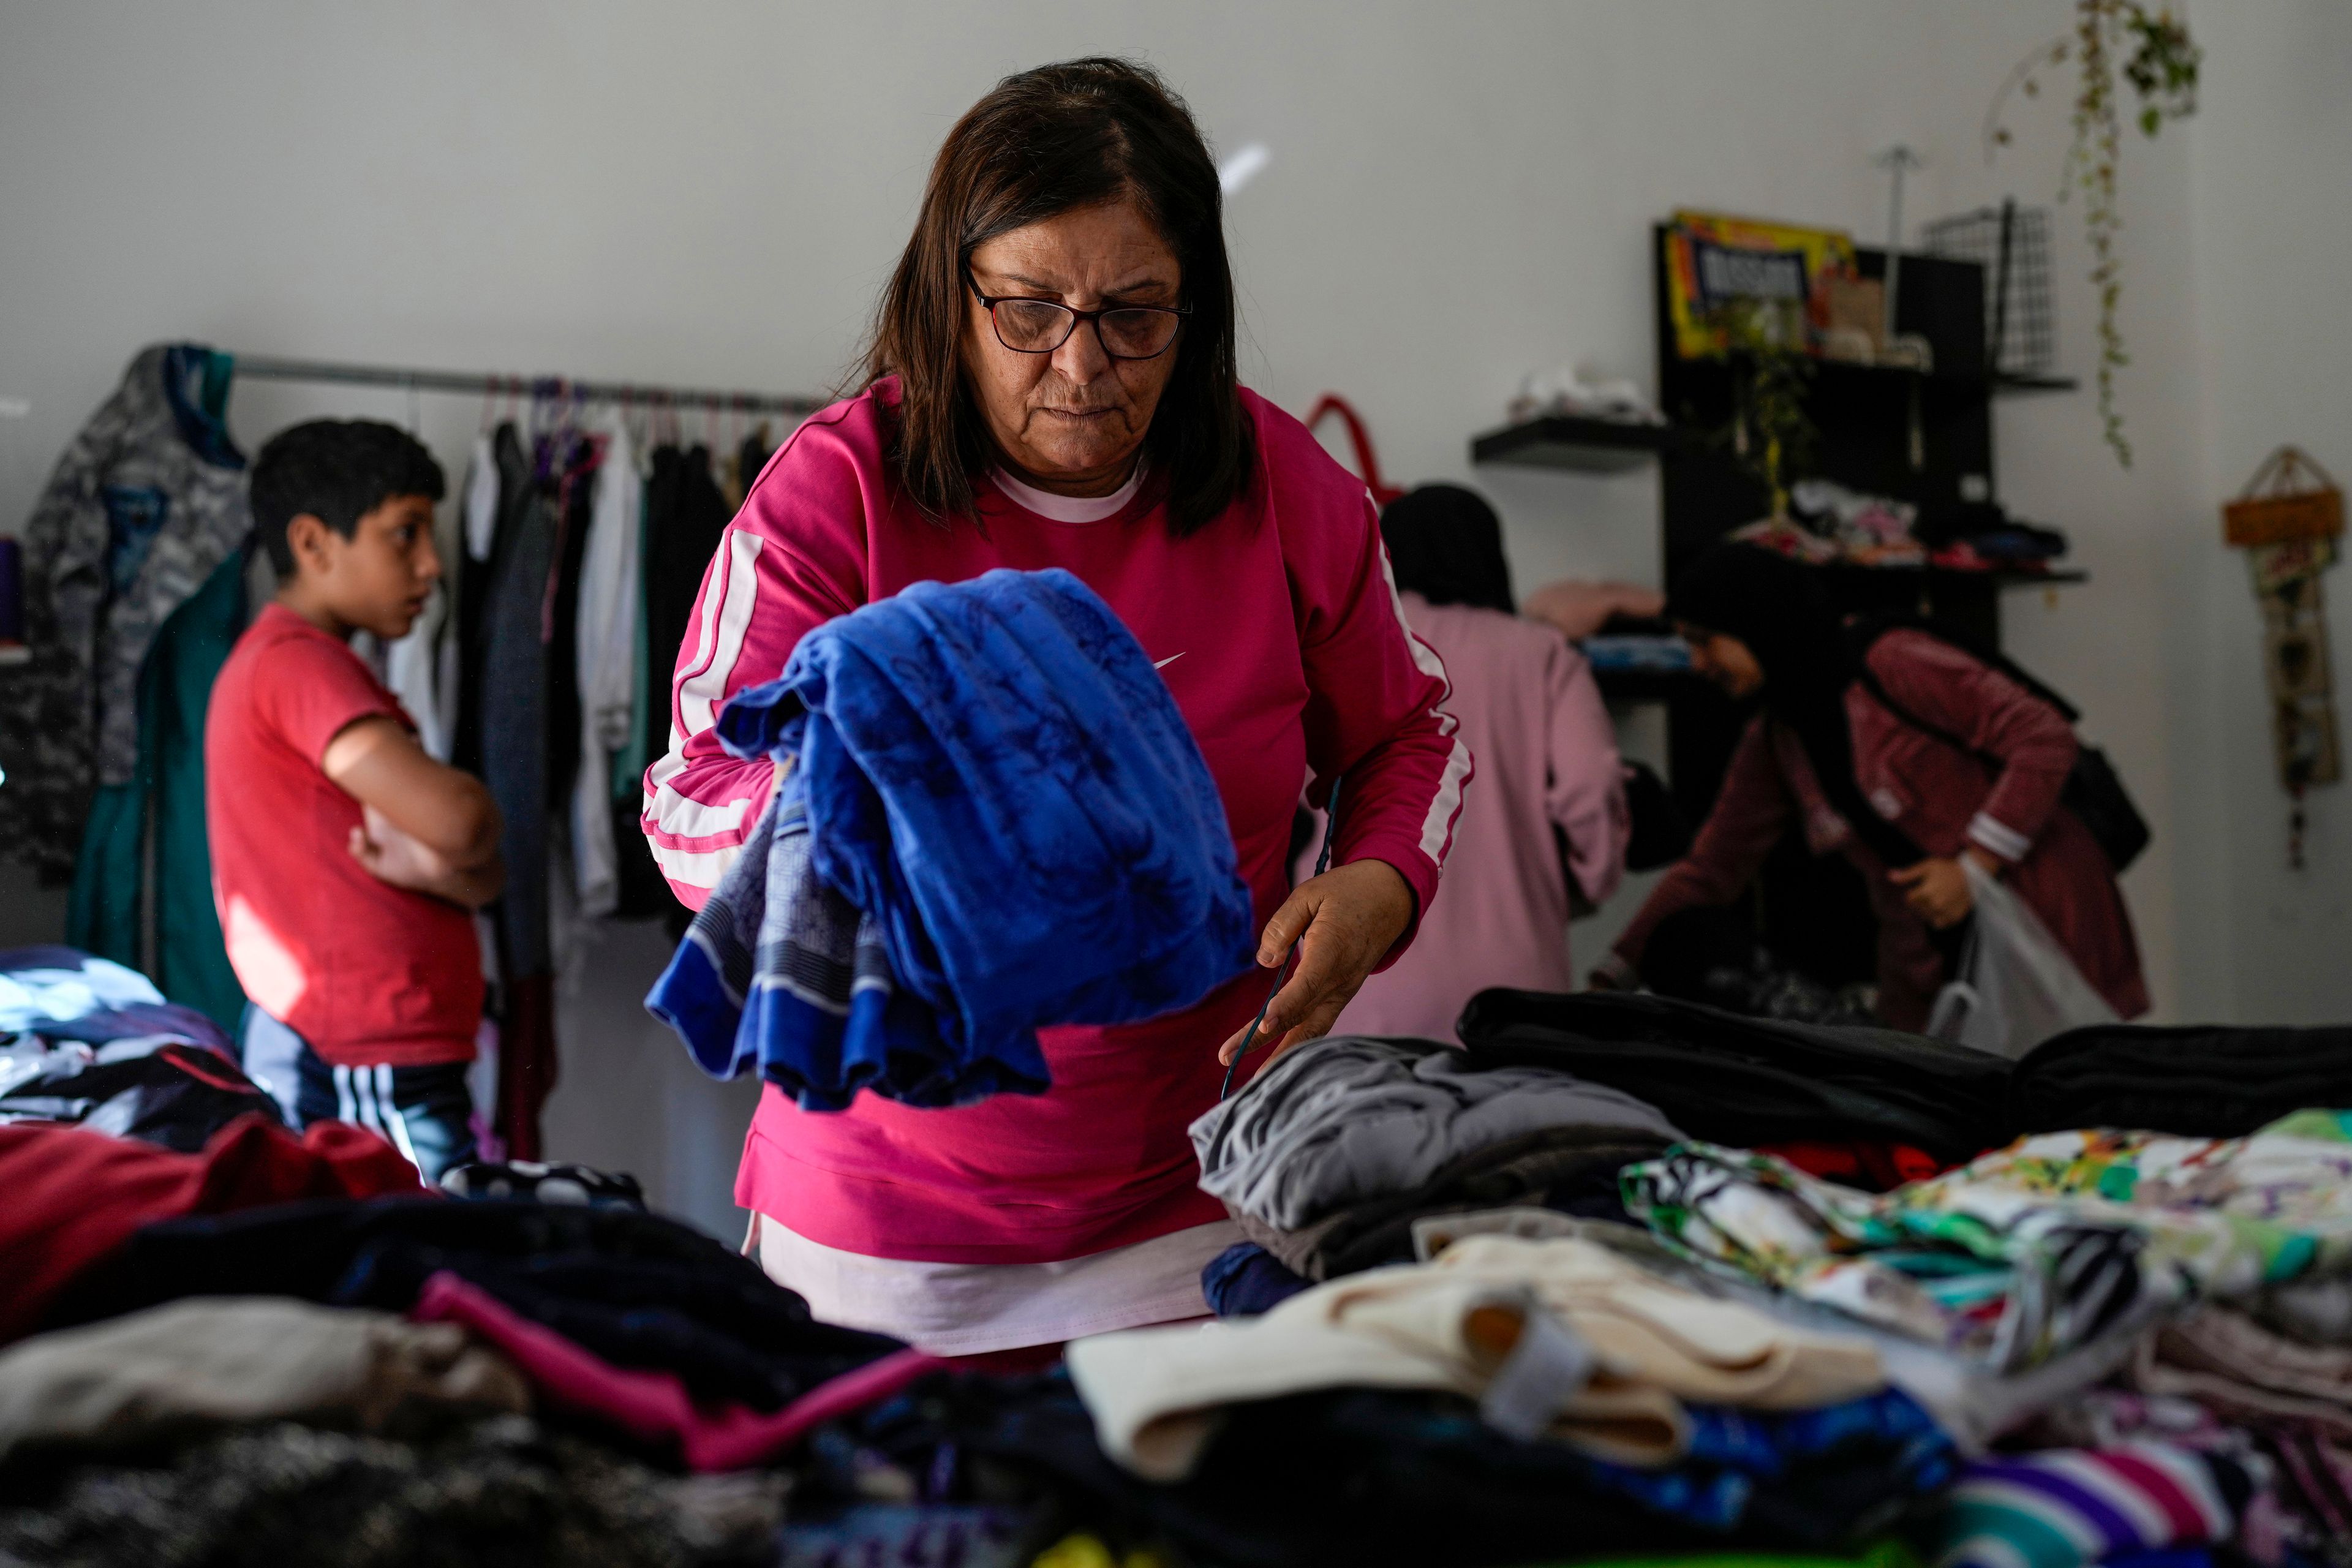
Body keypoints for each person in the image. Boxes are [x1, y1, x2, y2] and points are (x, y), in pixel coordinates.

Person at [643, 58, 1469, 1354]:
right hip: (881, 1229)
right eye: (1028, 309)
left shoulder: (1288, 490)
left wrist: (1381, 883)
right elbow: (687, 791)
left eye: (1135, 312)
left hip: (1197, 1198)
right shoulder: (836, 491)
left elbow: (1410, 729)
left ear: (1194, 310)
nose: (1082, 365)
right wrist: (849, 833)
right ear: (951, 297)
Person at [1596, 541, 2146, 1030]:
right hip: (1930, 960)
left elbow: (2042, 737)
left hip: (2040, 922)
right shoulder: (1778, 738)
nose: (1697, 663)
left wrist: (1976, 865)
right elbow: (1711, 867)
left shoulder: (1892, 661)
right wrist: (1613, 976)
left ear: (1754, 621)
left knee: (2079, 1109)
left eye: (1705, 641)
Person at [206, 420, 504, 1183]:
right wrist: (461, 847)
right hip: (365, 1046)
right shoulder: (300, 666)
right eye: (404, 535)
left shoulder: (302, 664)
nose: (432, 565)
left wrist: (452, 870)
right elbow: (461, 821)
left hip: (375, 1041)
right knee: (430, 1257)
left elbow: (476, 868)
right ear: (313, 543)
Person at [1318, 484, 1628, 1041]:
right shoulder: (1542, 654)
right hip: (1513, 987)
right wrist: (1593, 878)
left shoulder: (1348, 648)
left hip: (1355, 974)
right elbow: (1592, 780)